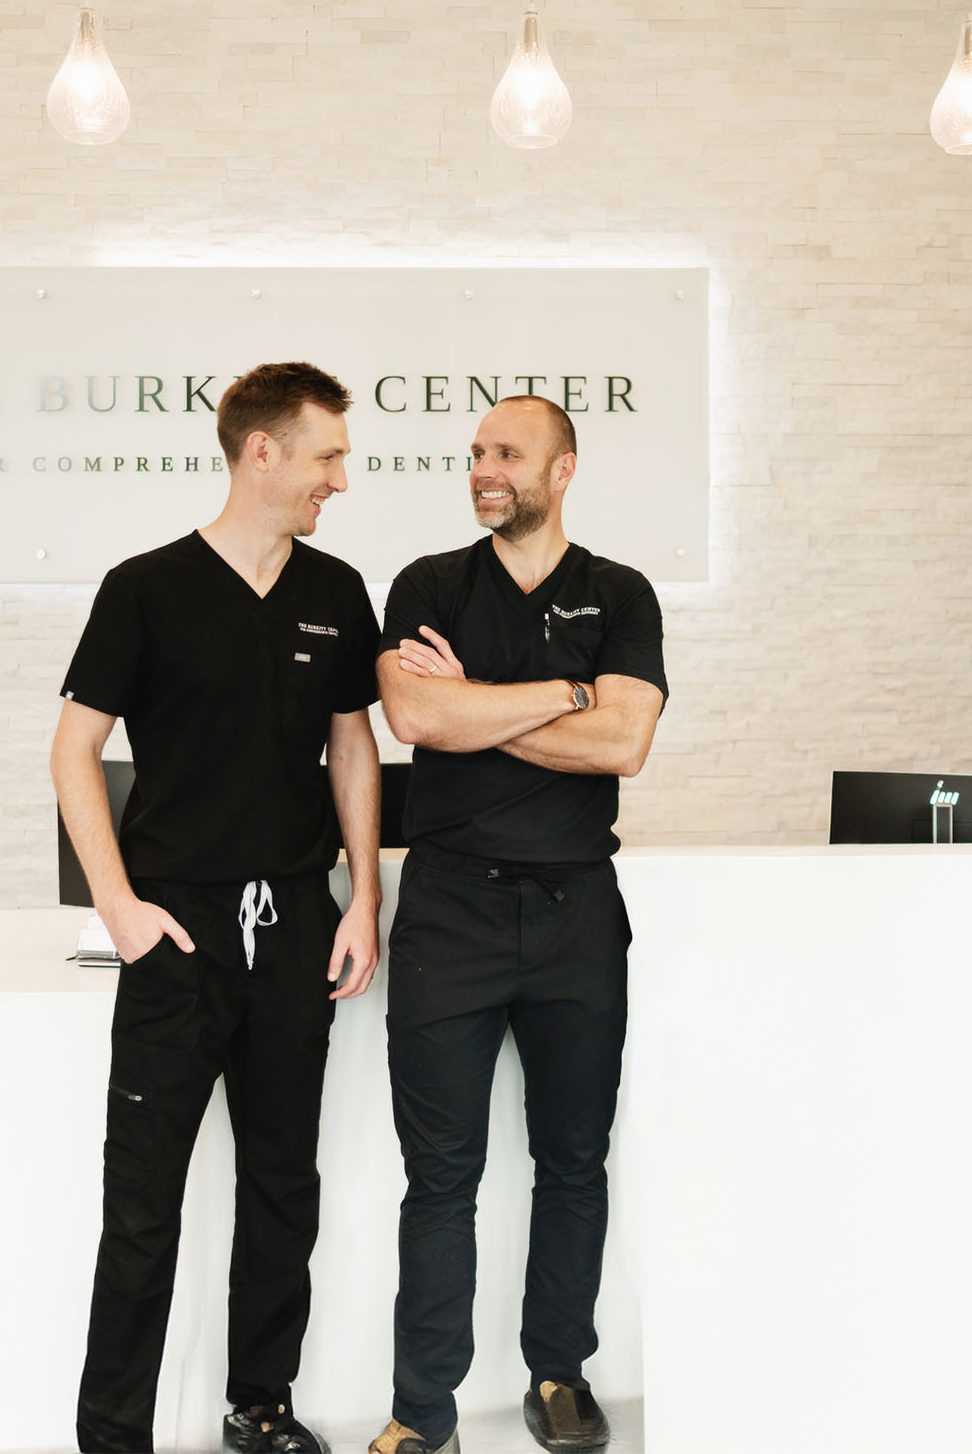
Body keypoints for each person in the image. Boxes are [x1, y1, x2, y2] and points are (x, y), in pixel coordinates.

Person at [51, 361, 382, 1454]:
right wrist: (123, 908)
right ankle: (113, 1439)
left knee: (284, 1187)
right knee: (143, 1209)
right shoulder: (144, 588)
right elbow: (72, 751)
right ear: (262, 453)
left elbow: (352, 746)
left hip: (293, 923)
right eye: (327, 454)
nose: (342, 474)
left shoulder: (336, 594)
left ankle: (260, 1406)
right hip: (177, 934)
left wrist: (361, 895)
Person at [369, 395, 667, 1454]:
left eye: (507, 452)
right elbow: (414, 718)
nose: (484, 468)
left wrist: (482, 710)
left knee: (572, 1159)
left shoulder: (621, 593)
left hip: (577, 912)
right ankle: (424, 1413)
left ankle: (558, 1375)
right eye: (476, 452)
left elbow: (625, 743)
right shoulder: (428, 584)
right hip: (449, 911)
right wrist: (564, 698)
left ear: (565, 468)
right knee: (440, 1176)